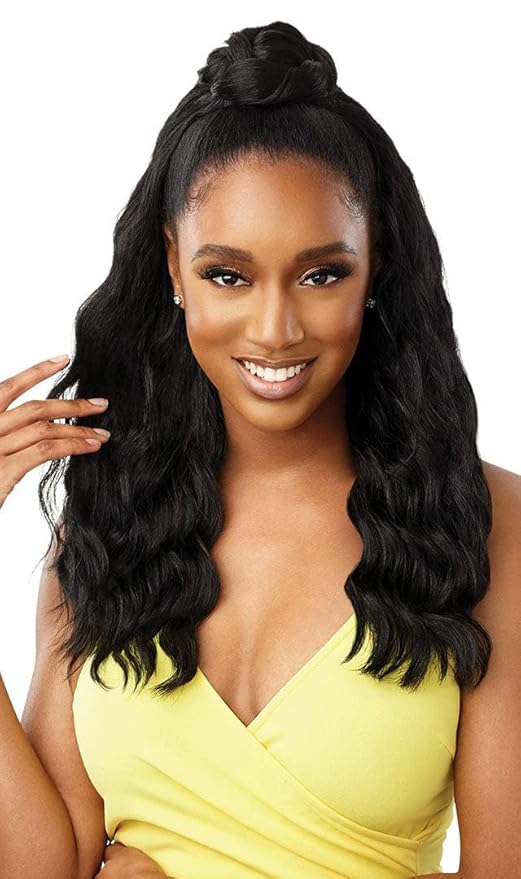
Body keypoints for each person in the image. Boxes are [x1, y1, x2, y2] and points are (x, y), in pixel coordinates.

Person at [0, 18, 519, 879]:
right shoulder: (107, 520)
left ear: (376, 266)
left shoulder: (487, 523)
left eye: (321, 274)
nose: (275, 330)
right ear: (173, 266)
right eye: (227, 275)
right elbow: (42, 866)